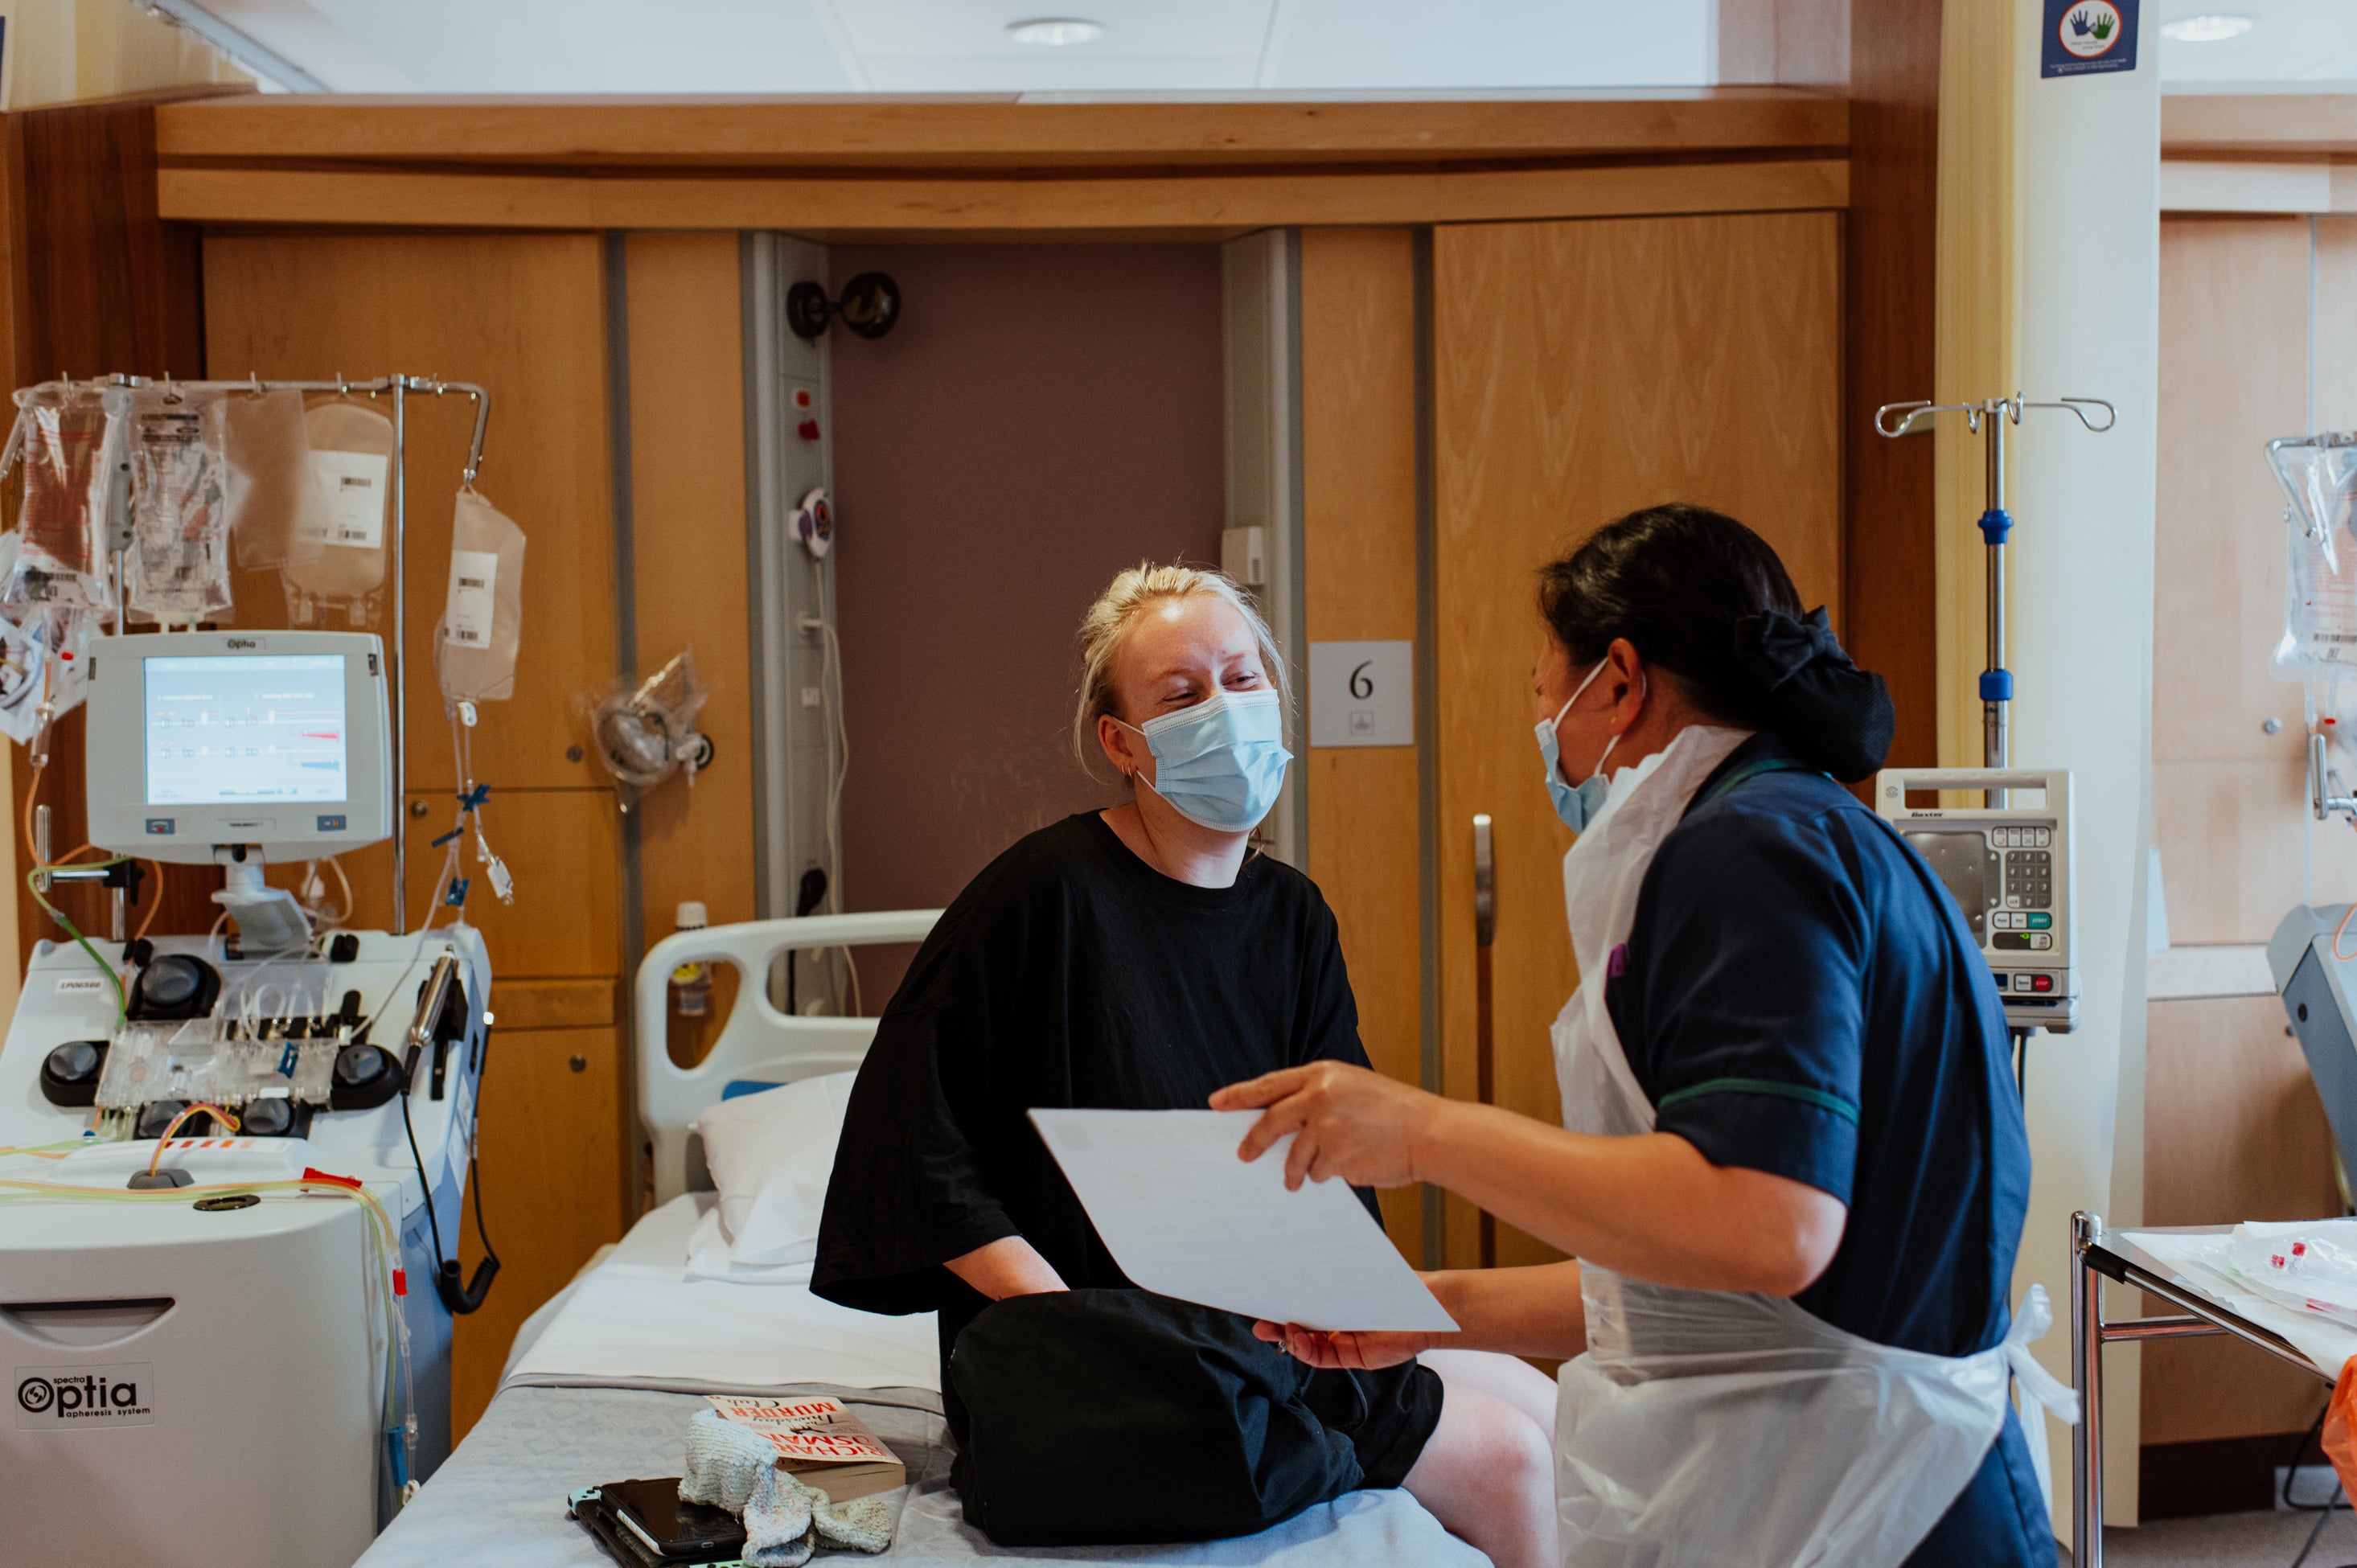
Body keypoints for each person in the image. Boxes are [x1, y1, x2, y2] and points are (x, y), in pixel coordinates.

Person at [1212, 505, 2076, 1568]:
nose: (1548, 745)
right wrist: (1422, 1308)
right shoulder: (1785, 831)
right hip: (1851, 1467)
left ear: (1617, 681)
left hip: (1880, 1500)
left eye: (1544, 701)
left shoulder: (1746, 856)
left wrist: (1423, 1132)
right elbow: (1699, 1272)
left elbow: (1765, 1225)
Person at [812, 561, 1559, 1566]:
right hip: (1108, 1357)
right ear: (1123, 744)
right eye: (1182, 694)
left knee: (1558, 1410)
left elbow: (1333, 1161)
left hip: (1270, 1331)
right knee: (1510, 1458)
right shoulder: (1043, 897)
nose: (1226, 709)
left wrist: (1342, 1317)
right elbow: (913, 1137)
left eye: (1243, 679)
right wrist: (1063, 1320)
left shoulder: (1292, 915)